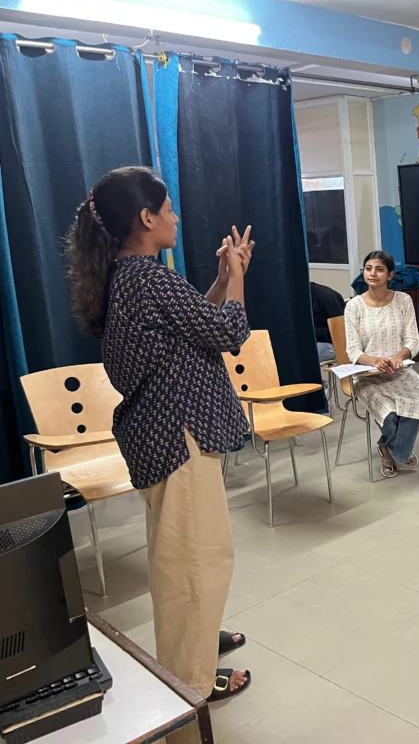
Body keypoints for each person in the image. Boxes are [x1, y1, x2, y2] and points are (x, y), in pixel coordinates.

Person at [64, 166, 253, 741]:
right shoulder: (148, 278)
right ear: (145, 218)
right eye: (168, 209)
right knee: (194, 570)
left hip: (160, 440)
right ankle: (188, 697)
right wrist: (239, 276)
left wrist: (220, 278)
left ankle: (190, 661)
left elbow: (195, 323)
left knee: (180, 564)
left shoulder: (132, 278)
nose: (176, 216)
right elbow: (227, 333)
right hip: (180, 438)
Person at [345, 250, 419, 478]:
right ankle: (393, 452)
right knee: (391, 414)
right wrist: (376, 361)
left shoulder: (403, 300)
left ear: (390, 274)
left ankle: (391, 448)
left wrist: (397, 357)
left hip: (400, 371)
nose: (372, 274)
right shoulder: (353, 306)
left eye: (379, 269)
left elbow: (413, 341)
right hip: (368, 375)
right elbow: (353, 350)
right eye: (368, 269)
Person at [310, 281, 346, 363]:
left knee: (299, 356)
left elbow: (340, 332)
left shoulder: (325, 296)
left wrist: (310, 333)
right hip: (309, 341)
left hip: (332, 343)